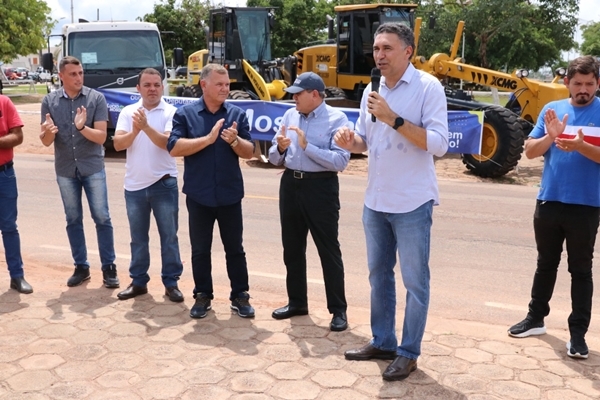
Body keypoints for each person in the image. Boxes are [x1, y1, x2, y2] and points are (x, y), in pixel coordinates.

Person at [335, 23, 448, 381]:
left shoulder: (428, 87)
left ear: (408, 51)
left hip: (412, 201)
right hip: (376, 199)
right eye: (376, 48)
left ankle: (408, 352)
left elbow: (439, 144)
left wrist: (394, 119)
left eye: (386, 48)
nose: (379, 55)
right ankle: (383, 341)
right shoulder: (373, 88)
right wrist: (349, 141)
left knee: (415, 282)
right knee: (379, 276)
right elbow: (365, 141)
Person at [507, 56, 600, 360]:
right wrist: (551, 135)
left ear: (597, 83)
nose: (583, 89)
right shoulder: (552, 110)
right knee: (545, 263)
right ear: (567, 83)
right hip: (549, 201)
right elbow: (530, 152)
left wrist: (580, 146)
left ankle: (578, 335)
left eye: (589, 84)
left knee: (580, 270)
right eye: (578, 83)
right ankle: (535, 319)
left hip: (586, 205)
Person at [167, 63, 255, 319]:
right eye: (219, 84)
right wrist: (208, 139)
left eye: (227, 84)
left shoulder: (237, 114)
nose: (225, 89)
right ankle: (202, 295)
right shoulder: (185, 114)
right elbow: (174, 147)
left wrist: (234, 141)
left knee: (235, 249)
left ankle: (240, 296)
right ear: (203, 85)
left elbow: (250, 152)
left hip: (229, 195)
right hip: (199, 196)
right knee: (200, 250)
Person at [268, 72, 350, 331]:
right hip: (290, 184)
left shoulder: (337, 119)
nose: (293, 98)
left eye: (298, 94)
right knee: (292, 248)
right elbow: (273, 157)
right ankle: (297, 302)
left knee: (328, 250)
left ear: (315, 95)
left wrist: (307, 147)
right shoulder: (289, 115)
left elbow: (341, 161)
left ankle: (338, 310)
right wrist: (281, 148)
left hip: (321, 187)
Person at [39, 56, 119, 289]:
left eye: (81, 73)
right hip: (65, 169)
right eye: (73, 74)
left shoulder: (96, 99)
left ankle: (109, 267)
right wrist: (49, 131)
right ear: (61, 76)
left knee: (102, 218)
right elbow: (46, 141)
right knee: (73, 219)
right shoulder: (49, 101)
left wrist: (81, 127)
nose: (78, 78)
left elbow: (102, 137)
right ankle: (81, 267)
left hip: (92, 167)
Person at [113, 68, 184, 302]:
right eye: (147, 85)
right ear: (138, 88)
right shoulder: (128, 112)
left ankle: (171, 283)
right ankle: (138, 282)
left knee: (169, 237)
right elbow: (118, 144)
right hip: (134, 186)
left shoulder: (172, 112)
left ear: (163, 87)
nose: (152, 89)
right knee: (138, 239)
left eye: (156, 85)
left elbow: (168, 144)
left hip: (164, 184)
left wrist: (145, 127)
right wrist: (135, 130)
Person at [0, 95, 33, 294]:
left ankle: (17, 276)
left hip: (4, 174)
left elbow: (18, 136)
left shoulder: (4, 102)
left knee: (9, 226)